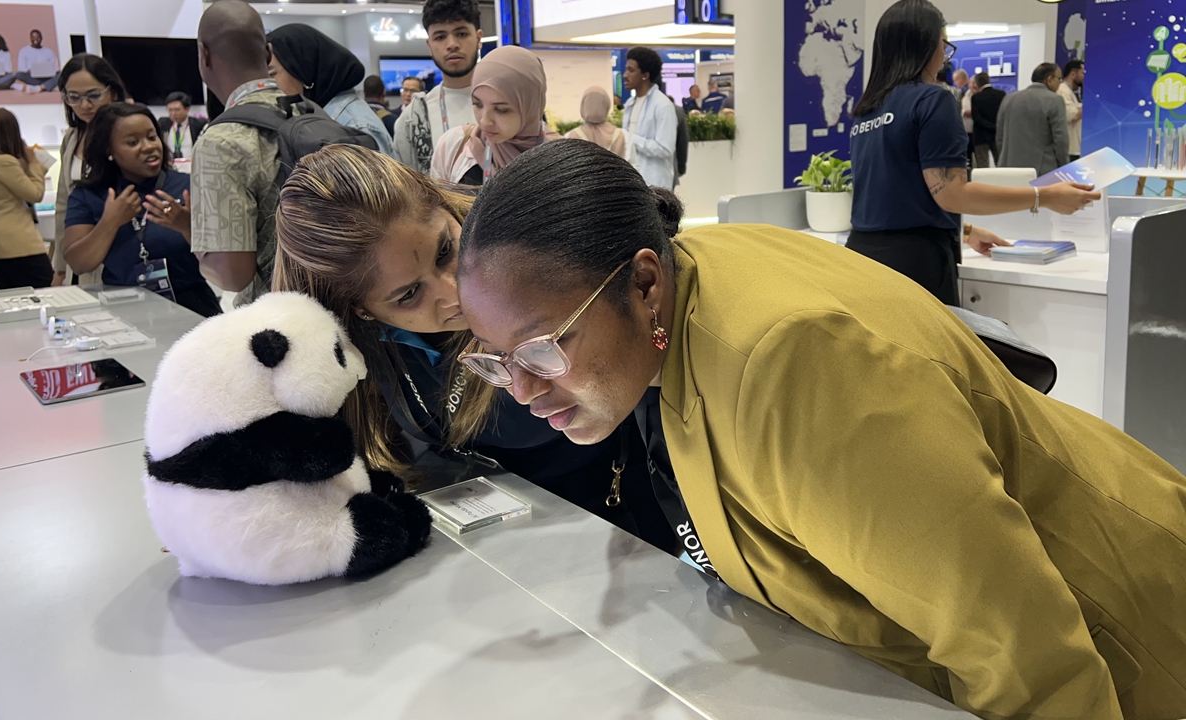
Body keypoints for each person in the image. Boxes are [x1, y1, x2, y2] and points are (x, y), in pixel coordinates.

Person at [454, 138, 1186, 720]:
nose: (520, 389)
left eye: (543, 347)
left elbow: (1020, 649)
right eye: (497, 360)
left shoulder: (792, 367)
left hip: (1129, 637)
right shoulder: (686, 292)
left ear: (644, 285)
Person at [272, 144, 674, 551]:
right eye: (409, 294)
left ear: (445, 205)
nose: (455, 293)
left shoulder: (522, 248)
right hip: (499, 537)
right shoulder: (344, 356)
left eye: (446, 250)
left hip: (623, 516)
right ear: (360, 311)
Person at [847, 0, 1097, 305]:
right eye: (944, 43)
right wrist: (1046, 197)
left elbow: (893, 197)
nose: (944, 55)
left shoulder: (867, 110)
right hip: (914, 266)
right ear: (927, 45)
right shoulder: (932, 101)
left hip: (860, 259)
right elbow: (952, 193)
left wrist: (964, 231)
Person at [63, 103, 220, 317]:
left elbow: (222, 262)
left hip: (191, 307)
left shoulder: (188, 185)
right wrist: (110, 222)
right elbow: (78, 263)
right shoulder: (89, 195)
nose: (148, 147)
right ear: (109, 150)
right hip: (121, 310)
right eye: (133, 142)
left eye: (152, 137)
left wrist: (187, 226)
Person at [192, 0, 284, 307]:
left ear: (204, 55)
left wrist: (202, 251)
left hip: (276, 329)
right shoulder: (314, 116)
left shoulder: (221, 141)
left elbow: (232, 274)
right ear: (268, 53)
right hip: (342, 319)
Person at [429, 46, 559, 186]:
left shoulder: (561, 160)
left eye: (501, 110)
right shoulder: (454, 146)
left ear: (531, 106)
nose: (484, 122)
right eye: (477, 104)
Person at [51, 53, 128, 287]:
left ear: (112, 92)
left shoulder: (127, 132)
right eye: (74, 97)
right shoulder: (72, 138)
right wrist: (61, 268)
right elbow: (63, 204)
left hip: (123, 246)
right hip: (80, 251)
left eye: (94, 95)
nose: (84, 105)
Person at [266, 24, 395, 156]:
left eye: (272, 74)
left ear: (303, 71)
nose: (267, 83)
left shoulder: (355, 126)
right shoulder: (314, 115)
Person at [394, 0, 483, 174]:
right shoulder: (413, 120)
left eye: (462, 34)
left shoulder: (511, 104)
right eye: (440, 37)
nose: (452, 44)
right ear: (430, 46)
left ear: (479, 38)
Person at [0, 107, 54, 289]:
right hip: (17, 241)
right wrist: (34, 165)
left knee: (9, 292)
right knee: (44, 289)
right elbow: (35, 194)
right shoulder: (3, 162)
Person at [997, 63, 1069, 176]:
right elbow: (1061, 139)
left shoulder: (1009, 99)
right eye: (1059, 79)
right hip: (1043, 170)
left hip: (1009, 168)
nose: (1060, 83)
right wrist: (1064, 167)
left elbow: (1000, 137)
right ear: (1050, 79)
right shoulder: (1055, 100)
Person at [622, 47, 677, 190]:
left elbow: (665, 149)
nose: (625, 75)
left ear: (645, 75)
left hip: (655, 185)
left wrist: (630, 137)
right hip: (632, 181)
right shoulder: (629, 104)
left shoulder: (663, 105)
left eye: (631, 70)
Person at [565, 85, 626, 158]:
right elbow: (634, 165)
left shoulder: (570, 136)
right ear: (607, 104)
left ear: (583, 105)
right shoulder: (622, 135)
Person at [158, 92, 207, 161]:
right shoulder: (163, 124)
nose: (173, 114)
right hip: (170, 164)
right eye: (170, 110)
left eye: (177, 110)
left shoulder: (198, 124)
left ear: (187, 109)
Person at [971, 71, 1004, 168]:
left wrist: (988, 126)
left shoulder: (976, 97)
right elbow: (1003, 115)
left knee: (983, 165)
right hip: (997, 134)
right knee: (1000, 163)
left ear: (977, 84)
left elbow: (976, 118)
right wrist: (995, 126)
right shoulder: (1001, 94)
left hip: (981, 136)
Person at [1059, 59, 1085, 162]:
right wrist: (1088, 107)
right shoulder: (1062, 91)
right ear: (1073, 74)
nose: (1084, 77)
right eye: (1082, 73)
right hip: (1071, 148)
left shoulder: (1072, 91)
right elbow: (1072, 115)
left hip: (1076, 146)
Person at [961, 75, 975, 166]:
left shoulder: (977, 96)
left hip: (976, 129)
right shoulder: (966, 94)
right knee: (968, 154)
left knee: (979, 156)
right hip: (966, 129)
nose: (970, 84)